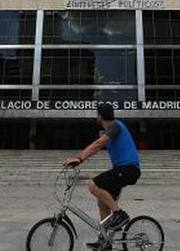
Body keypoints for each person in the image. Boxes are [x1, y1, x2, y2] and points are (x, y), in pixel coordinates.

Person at [63, 103, 141, 250]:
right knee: (102, 203)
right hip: (122, 169)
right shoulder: (109, 130)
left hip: (128, 169)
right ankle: (105, 241)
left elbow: (98, 144)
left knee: (93, 185)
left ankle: (120, 214)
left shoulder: (115, 126)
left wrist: (79, 159)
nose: (96, 117)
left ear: (100, 116)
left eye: (97, 115)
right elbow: (97, 145)